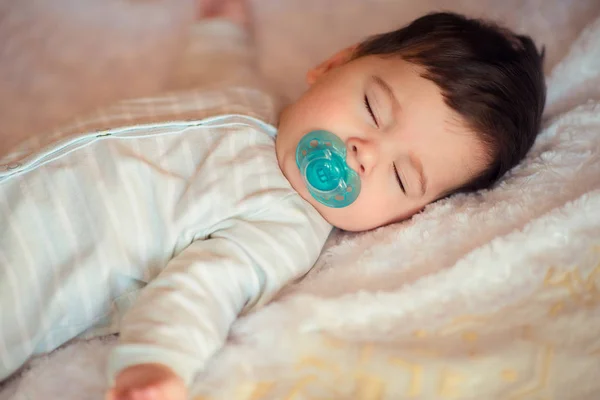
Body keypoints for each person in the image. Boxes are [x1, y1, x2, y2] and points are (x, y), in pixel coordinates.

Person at [0, 0, 546, 399]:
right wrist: (221, 27)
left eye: (401, 178)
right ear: (335, 63)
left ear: (406, 217)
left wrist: (157, 364)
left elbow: (204, 288)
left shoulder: (284, 225)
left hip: (28, 280)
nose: (364, 154)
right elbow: (211, 70)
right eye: (375, 110)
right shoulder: (248, 99)